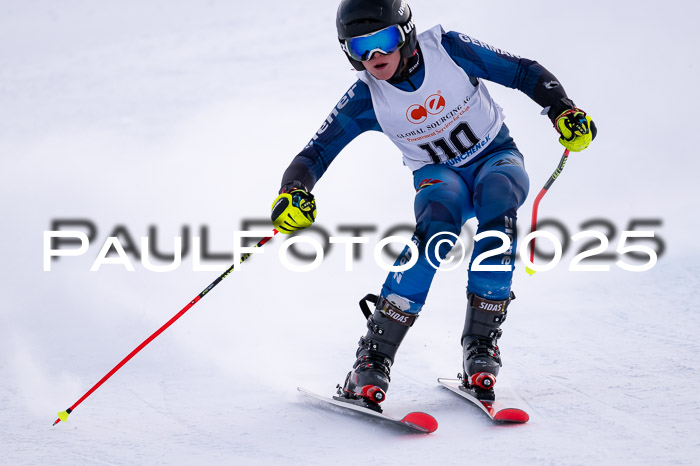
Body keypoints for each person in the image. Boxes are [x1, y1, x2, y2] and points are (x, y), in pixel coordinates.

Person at [270, 0, 596, 410]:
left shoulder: (449, 50)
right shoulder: (367, 96)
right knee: (436, 232)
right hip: (439, 177)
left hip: (496, 157)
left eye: (383, 40)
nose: (375, 57)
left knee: (499, 212)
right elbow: (315, 153)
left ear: (405, 32)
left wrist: (563, 109)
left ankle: (480, 347)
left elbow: (522, 71)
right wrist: (294, 192)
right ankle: (372, 358)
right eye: (359, 48)